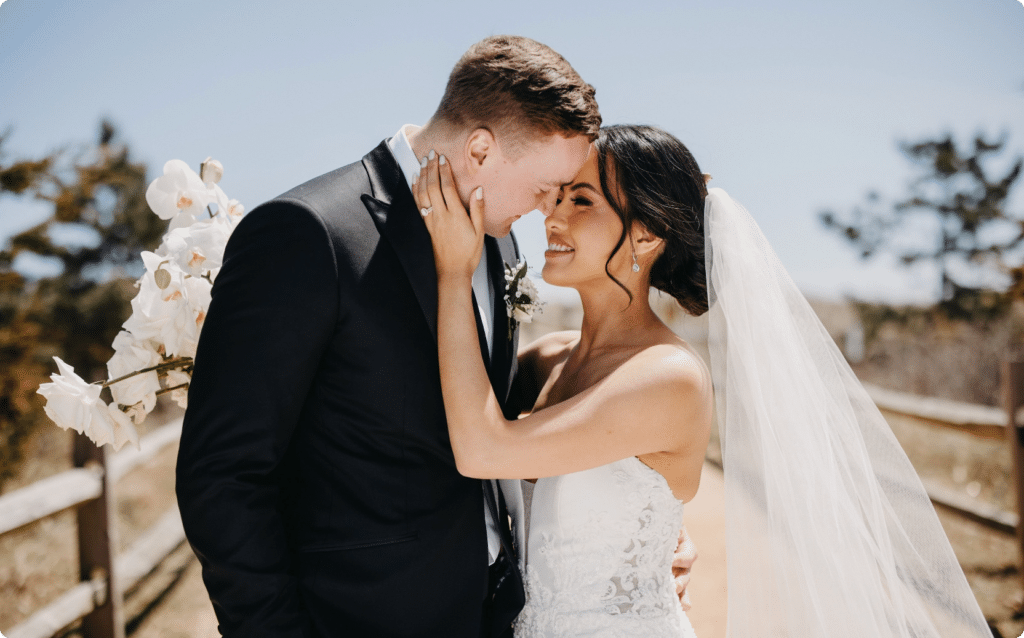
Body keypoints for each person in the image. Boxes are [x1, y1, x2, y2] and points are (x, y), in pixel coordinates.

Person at [415, 124, 993, 637]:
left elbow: (484, 448)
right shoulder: (545, 360)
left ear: (646, 236)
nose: (553, 216)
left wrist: (452, 271)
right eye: (557, 196)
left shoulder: (668, 378)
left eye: (582, 200)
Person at [174, 35, 599, 638]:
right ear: (480, 148)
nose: (545, 209)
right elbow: (221, 474)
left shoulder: (497, 238)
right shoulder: (309, 233)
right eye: (541, 188)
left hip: (491, 614)